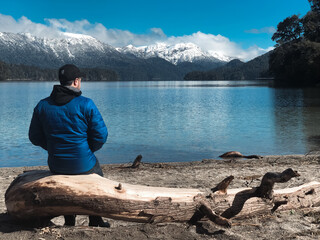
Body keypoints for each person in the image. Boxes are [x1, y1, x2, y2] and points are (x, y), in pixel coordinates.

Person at [29, 64, 109, 227]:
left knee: (69, 180)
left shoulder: (42, 106)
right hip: (84, 164)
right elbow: (101, 136)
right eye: (80, 80)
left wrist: (52, 147)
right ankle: (95, 220)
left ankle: (69, 221)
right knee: (97, 174)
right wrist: (87, 150)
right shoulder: (86, 104)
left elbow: (35, 137)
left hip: (57, 165)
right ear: (76, 81)